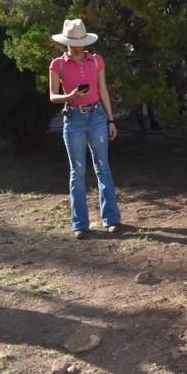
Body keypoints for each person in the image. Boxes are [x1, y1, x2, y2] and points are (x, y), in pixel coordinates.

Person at [48, 19, 121, 240]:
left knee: (103, 168)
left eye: (80, 42)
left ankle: (111, 219)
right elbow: (52, 96)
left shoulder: (96, 60)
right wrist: (69, 97)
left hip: (97, 116)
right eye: (73, 42)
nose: (77, 46)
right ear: (66, 42)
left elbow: (103, 90)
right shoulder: (57, 64)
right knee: (77, 173)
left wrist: (110, 120)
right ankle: (79, 223)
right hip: (73, 119)